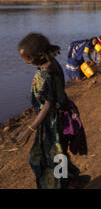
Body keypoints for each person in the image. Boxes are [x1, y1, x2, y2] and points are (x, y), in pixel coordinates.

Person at [15, 33, 89, 189]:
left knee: (54, 156)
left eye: (28, 59)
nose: (26, 62)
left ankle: (63, 184)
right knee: (59, 153)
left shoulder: (44, 74)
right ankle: (69, 182)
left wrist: (29, 130)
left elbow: (48, 105)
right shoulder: (51, 62)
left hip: (54, 121)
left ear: (40, 55)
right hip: (63, 114)